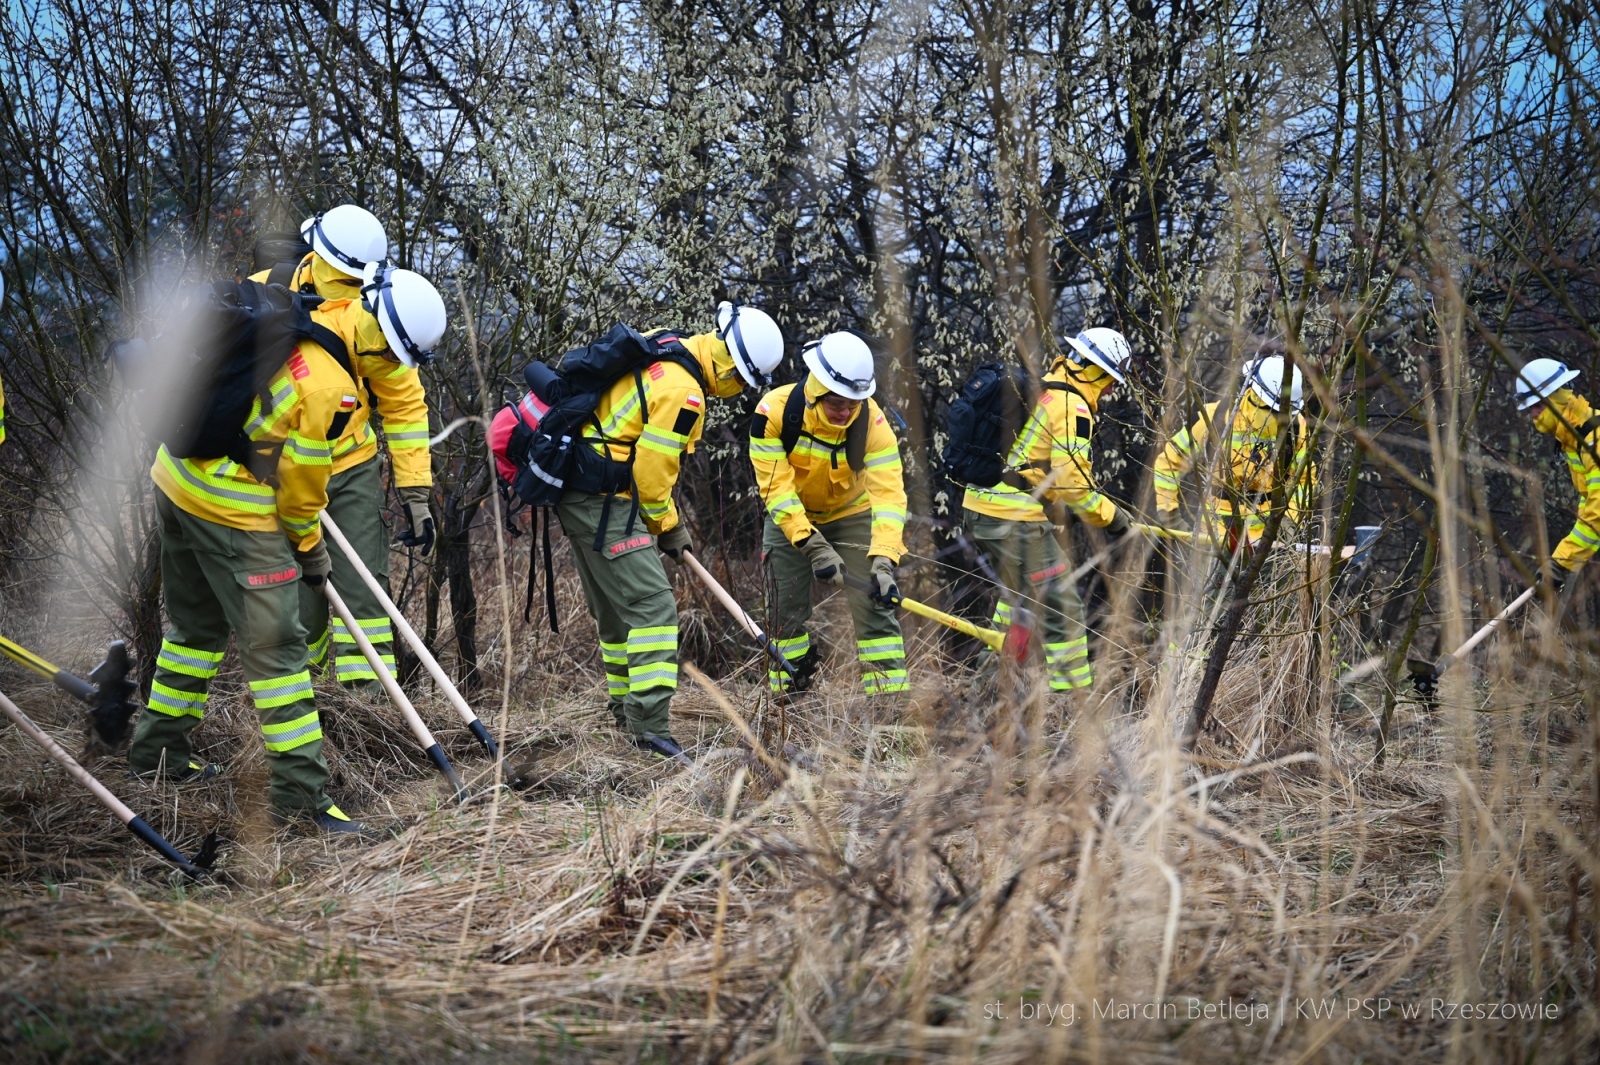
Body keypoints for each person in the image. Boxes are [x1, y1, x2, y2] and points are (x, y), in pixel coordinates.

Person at [128, 264, 447, 833]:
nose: (396, 369)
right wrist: (309, 551)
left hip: (174, 480)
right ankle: (301, 794)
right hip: (230, 509)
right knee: (278, 654)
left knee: (194, 632)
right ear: (382, 342)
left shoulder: (309, 314)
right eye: (398, 357)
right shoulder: (331, 388)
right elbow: (301, 495)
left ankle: (158, 754)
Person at [561, 302, 784, 758]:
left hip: (581, 487)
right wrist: (668, 528)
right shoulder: (688, 393)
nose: (737, 390)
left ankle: (627, 716)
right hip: (605, 498)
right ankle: (649, 728)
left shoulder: (672, 343)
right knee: (653, 607)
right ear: (732, 366)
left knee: (616, 610)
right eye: (741, 380)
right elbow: (651, 472)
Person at [250, 206, 437, 690]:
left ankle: (369, 710)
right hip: (279, 471)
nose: (349, 285)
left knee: (364, 596)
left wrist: (415, 490)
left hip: (350, 465)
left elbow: (405, 406)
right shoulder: (267, 287)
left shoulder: (380, 313)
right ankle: (308, 703)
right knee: (299, 597)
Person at [960, 328, 1133, 691]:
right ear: (1097, 373)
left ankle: (987, 687)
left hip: (981, 507)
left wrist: (1056, 502)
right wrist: (1114, 519)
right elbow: (1075, 486)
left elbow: (1038, 467)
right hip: (1013, 517)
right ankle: (1073, 705)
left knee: (1017, 603)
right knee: (1064, 606)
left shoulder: (1049, 388)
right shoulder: (1075, 407)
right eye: (1112, 381)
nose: (1111, 391)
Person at [749, 331, 909, 696]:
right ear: (816, 390)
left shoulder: (874, 426)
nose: (845, 413)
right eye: (837, 404)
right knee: (784, 612)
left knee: (876, 608)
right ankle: (789, 702)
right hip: (790, 516)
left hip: (852, 514)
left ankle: (891, 710)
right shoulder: (772, 413)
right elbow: (777, 492)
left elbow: (888, 496)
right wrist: (814, 546)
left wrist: (884, 560)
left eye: (853, 405)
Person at [1153, 354, 1317, 549]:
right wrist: (1170, 517)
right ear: (1257, 397)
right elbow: (1169, 464)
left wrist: (1288, 521)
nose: (1284, 418)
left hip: (1269, 542)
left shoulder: (1296, 428)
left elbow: (1304, 478)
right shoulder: (1215, 419)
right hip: (1215, 539)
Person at [1513, 358, 1600, 600]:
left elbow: (1598, 510)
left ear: (1554, 400)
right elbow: (1589, 501)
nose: (1533, 414)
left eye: (1537, 406)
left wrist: (1562, 561)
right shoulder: (1575, 439)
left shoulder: (1594, 439)